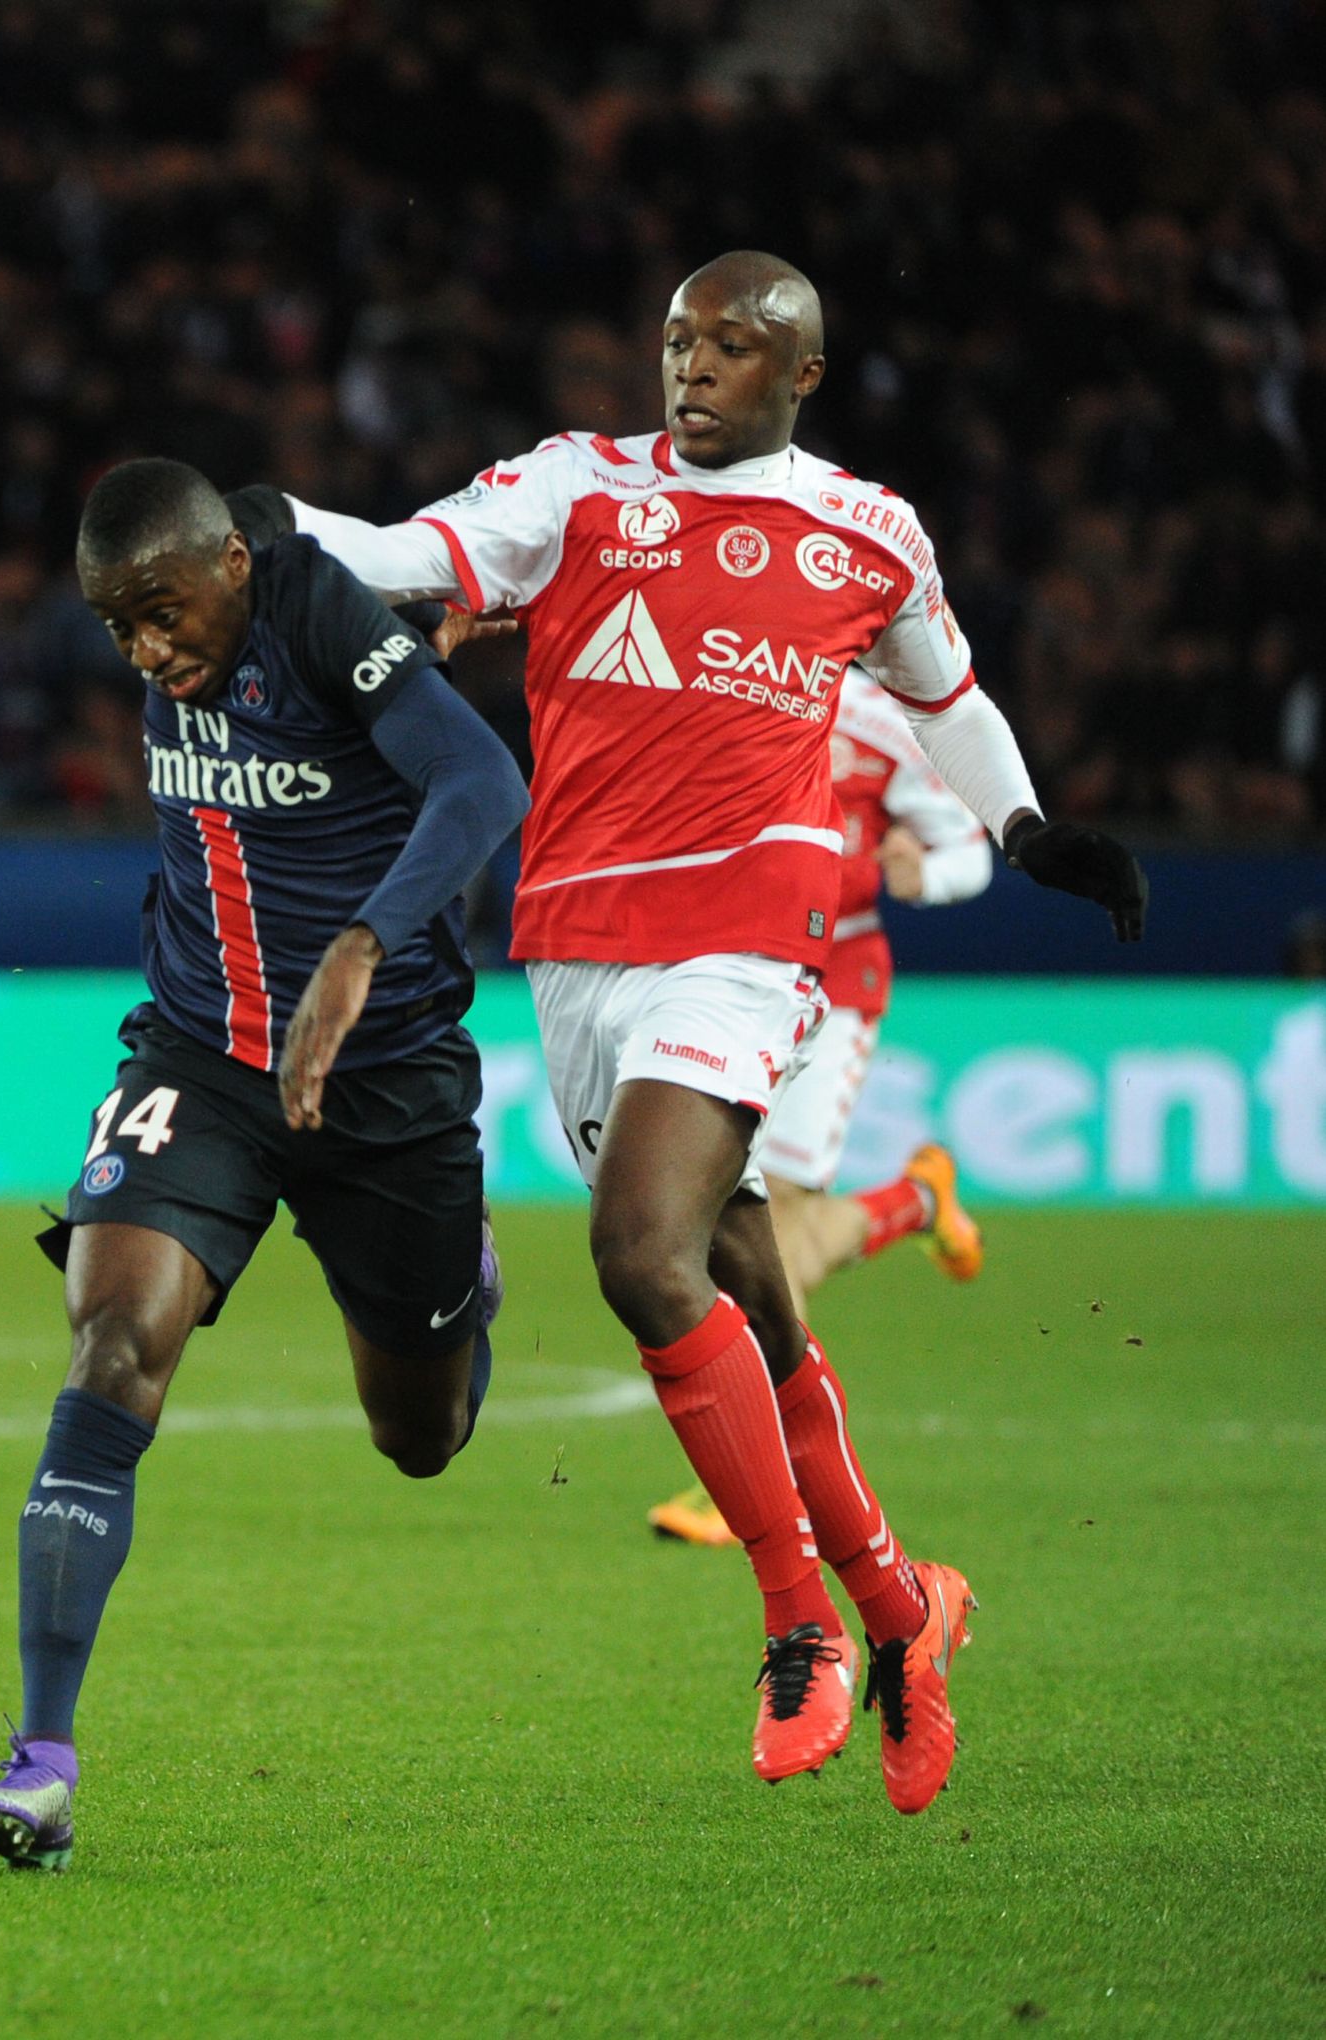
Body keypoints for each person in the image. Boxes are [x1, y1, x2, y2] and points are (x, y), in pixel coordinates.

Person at [253, 250, 1146, 1814]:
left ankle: (795, 1620)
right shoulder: (576, 490)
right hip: (579, 943)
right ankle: (898, 1607)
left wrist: (1022, 829)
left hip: (747, 932)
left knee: (637, 1255)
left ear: (798, 374)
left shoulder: (867, 533)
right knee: (737, 1278)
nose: (693, 366)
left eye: (731, 348)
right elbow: (406, 555)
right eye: (678, 340)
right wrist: (267, 522)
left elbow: (945, 695)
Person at [0, 458, 529, 1870]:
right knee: (110, 1347)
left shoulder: (321, 612)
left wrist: (362, 943)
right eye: (116, 630)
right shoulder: (213, 571)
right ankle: (37, 1764)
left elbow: (479, 778)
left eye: (162, 614)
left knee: (419, 1438)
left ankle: (467, 1291)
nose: (147, 651)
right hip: (198, 1061)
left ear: (226, 567)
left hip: (379, 1073)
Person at [649, 664, 992, 1547]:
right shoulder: (713, 687)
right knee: (744, 1224)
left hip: (831, 986)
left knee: (774, 1229)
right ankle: (917, 1199)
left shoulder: (882, 725)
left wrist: (927, 876)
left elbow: (967, 850)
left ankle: (734, 1479)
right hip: (721, 980)